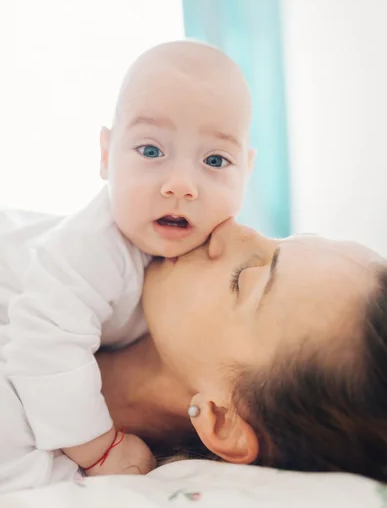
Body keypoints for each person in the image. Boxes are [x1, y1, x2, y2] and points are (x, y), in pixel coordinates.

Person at [2, 40, 254, 478]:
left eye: (215, 159)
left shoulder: (216, 247)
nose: (181, 184)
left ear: (245, 173)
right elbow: (44, 346)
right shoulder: (93, 248)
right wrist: (100, 449)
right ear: (105, 156)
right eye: (152, 151)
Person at [1, 216, 387, 492]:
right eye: (280, 237)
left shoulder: (26, 467)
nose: (227, 227)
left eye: (244, 278)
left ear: (222, 420)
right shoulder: (90, 265)